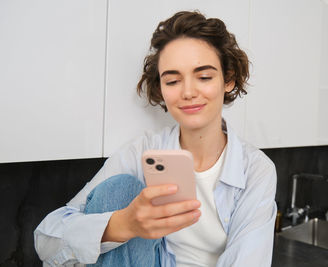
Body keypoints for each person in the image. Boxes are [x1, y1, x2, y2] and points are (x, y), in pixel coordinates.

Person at [34, 10, 277, 267]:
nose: (188, 92)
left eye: (204, 77)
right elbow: (46, 239)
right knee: (119, 189)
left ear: (228, 80)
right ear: (161, 88)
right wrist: (124, 224)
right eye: (172, 81)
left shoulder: (255, 169)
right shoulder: (143, 152)